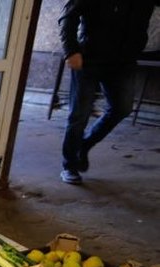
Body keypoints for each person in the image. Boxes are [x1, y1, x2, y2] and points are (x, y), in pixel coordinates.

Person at [58, 0, 159, 184]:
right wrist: (70, 51)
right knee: (79, 114)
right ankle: (70, 165)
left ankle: (85, 144)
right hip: (89, 59)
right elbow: (68, 16)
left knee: (122, 108)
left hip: (123, 62)